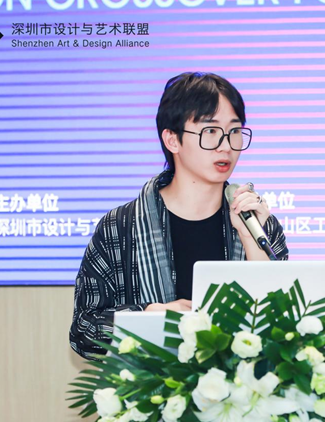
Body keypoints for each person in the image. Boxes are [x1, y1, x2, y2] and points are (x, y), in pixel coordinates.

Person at [69, 72, 289, 360]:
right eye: (210, 131)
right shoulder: (120, 227)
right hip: (151, 386)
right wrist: (148, 315)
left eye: (235, 131)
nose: (226, 145)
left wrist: (251, 240)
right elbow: (83, 331)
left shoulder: (257, 222)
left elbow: (285, 325)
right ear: (172, 140)